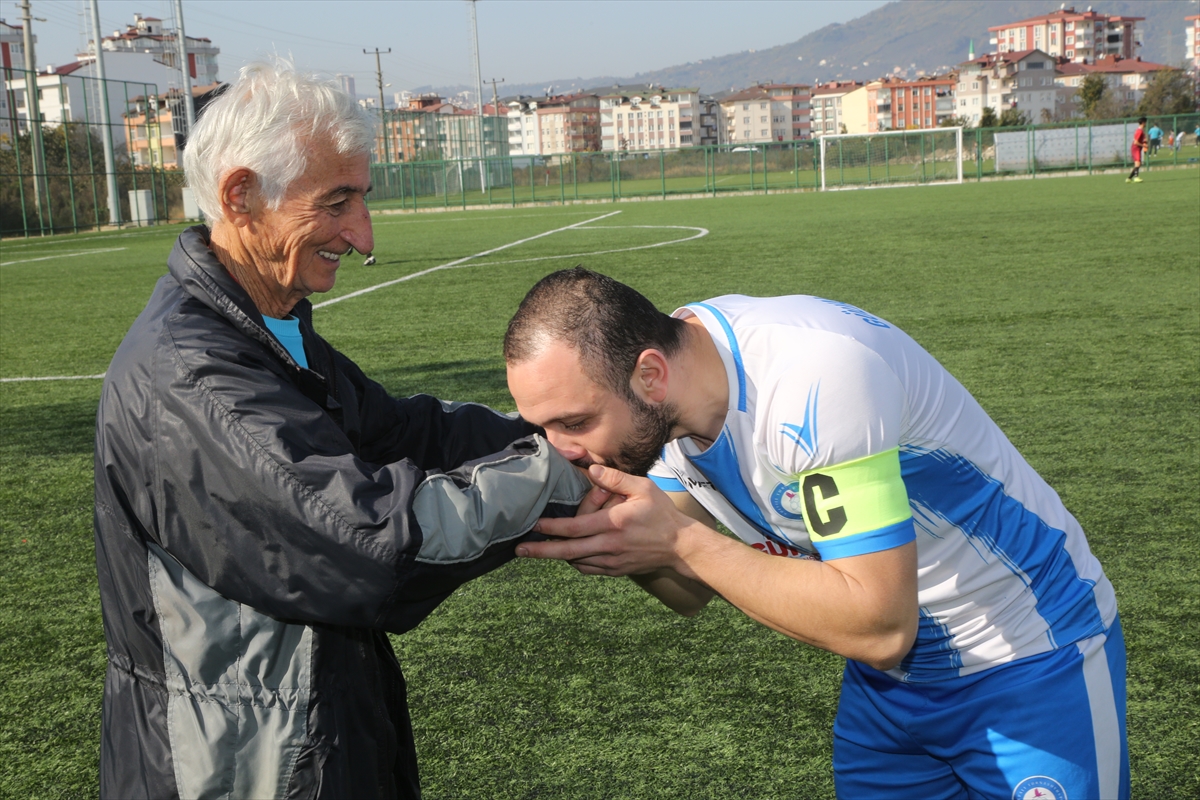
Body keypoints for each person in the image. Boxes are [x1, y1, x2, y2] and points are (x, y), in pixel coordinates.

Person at [94, 61, 589, 799]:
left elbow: (403, 432)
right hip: (240, 772)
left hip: (303, 744)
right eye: (336, 202)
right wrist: (561, 470)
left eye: (362, 198)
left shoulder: (266, 329)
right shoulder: (196, 376)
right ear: (241, 196)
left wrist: (557, 430)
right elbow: (374, 544)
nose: (362, 235)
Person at [504, 268, 1127, 800]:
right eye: (543, 428)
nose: (563, 449)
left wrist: (677, 541)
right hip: (890, 692)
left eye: (574, 423)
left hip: (1029, 657)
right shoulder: (663, 400)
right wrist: (597, 532)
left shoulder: (814, 375)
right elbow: (688, 590)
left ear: (650, 375)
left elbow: (880, 626)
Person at [1127, 116, 1148, 183]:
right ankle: (1136, 177)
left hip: (1137, 148)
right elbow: (1135, 142)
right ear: (1143, 123)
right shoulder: (1139, 131)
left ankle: (1129, 178)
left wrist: (1144, 142)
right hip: (1135, 148)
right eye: (1145, 122)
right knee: (1138, 163)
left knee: (1138, 164)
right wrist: (1143, 145)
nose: (1146, 124)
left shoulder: (1140, 130)